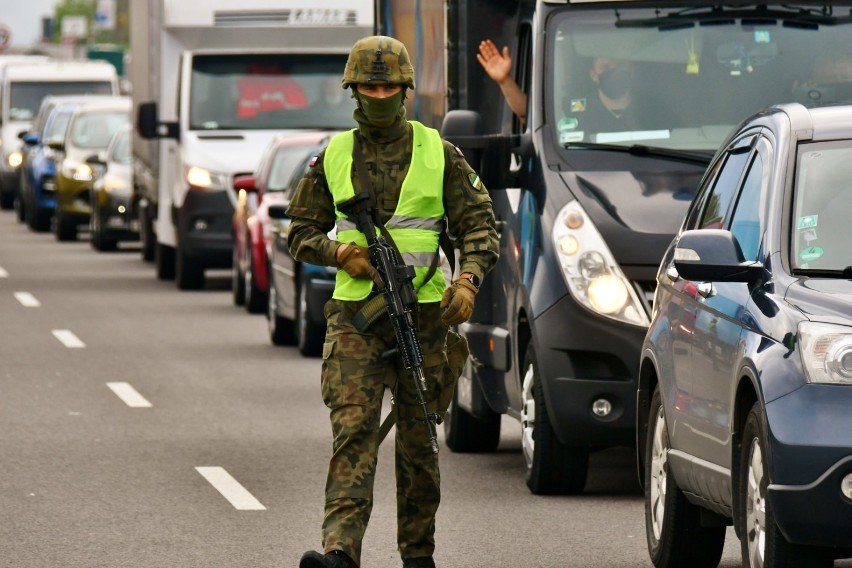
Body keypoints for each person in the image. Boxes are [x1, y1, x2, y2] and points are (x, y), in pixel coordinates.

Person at [288, 35, 500, 568]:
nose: (379, 94)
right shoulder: (333, 157)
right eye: (368, 86)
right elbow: (299, 232)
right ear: (353, 91)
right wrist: (340, 252)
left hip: (426, 317)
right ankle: (340, 552)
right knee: (354, 432)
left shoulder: (439, 153)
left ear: (405, 89)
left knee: (419, 446)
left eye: (387, 85)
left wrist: (468, 281)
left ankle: (417, 554)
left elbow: (480, 227)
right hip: (355, 318)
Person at [476, 38, 658, 138]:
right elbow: (528, 113)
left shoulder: (652, 109)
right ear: (593, 74)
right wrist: (504, 81)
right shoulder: (574, 110)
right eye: (606, 67)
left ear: (631, 71)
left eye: (620, 66)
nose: (614, 72)